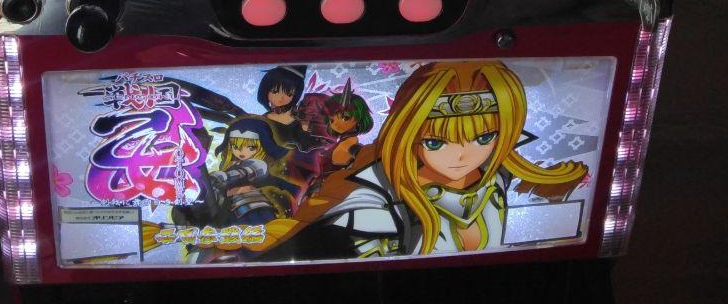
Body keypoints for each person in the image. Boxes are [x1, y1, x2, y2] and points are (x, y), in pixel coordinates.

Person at [231, 61, 589, 260]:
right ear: (408, 135)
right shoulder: (374, 205)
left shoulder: (496, 174)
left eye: (483, 138)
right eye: (435, 142)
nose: (462, 155)